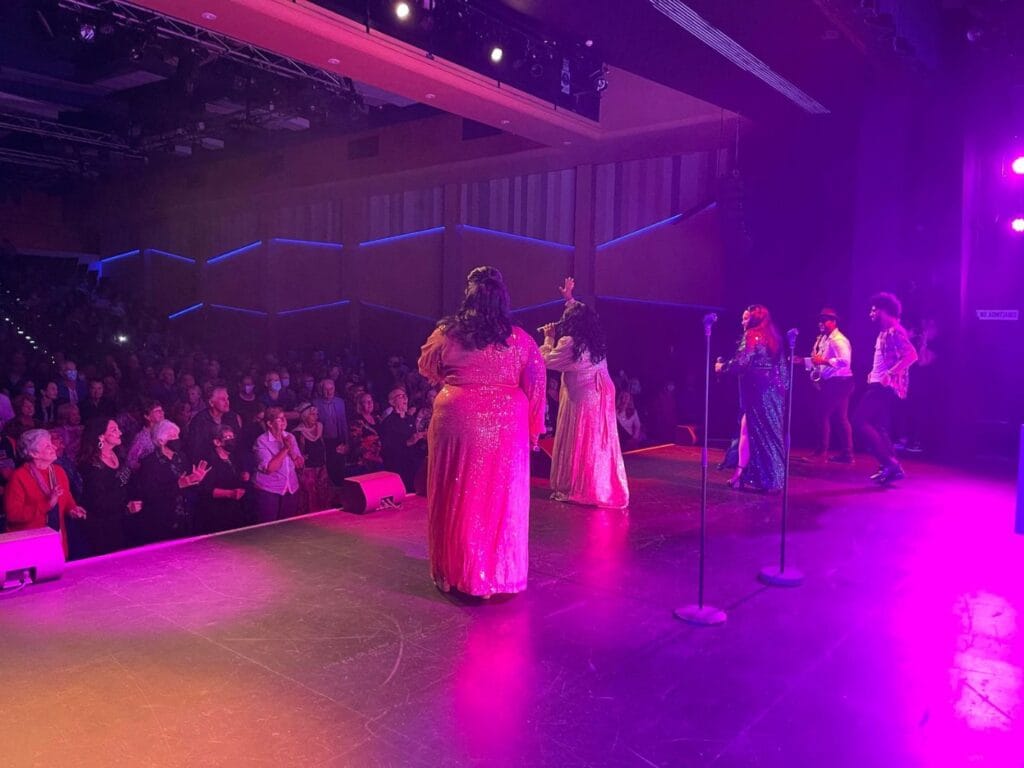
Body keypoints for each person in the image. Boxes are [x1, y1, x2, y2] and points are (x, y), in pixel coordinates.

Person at [417, 266, 546, 597]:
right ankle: (496, 576)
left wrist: (457, 380)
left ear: (468, 298)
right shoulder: (521, 340)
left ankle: (453, 572)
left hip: (457, 418)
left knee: (456, 492)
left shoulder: (448, 334)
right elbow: (536, 385)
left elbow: (427, 365)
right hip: (507, 424)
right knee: (500, 498)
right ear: (503, 300)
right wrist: (534, 430)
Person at [539, 277, 628, 509]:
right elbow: (581, 313)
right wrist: (569, 299)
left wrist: (548, 337)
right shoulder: (594, 340)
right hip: (602, 391)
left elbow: (545, 360)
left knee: (582, 439)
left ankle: (582, 487)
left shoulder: (570, 343)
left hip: (584, 395)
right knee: (598, 440)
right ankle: (600, 485)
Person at [715, 305, 786, 492]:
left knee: (752, 433)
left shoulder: (752, 335)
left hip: (757, 391)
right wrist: (781, 393)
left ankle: (764, 479)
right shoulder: (774, 338)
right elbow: (782, 370)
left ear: (754, 319)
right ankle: (747, 476)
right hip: (773, 392)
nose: (742, 322)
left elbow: (742, 362)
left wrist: (722, 367)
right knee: (758, 432)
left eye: (746, 318)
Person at [853, 292, 918, 484]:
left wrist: (889, 374)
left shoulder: (894, 331)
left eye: (874, 310)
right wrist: (873, 373)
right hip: (878, 383)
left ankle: (889, 463)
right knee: (878, 427)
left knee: (860, 421)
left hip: (884, 387)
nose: (871, 313)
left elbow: (912, 355)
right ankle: (892, 468)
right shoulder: (884, 332)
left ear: (884, 311)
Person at [4, 429, 86, 555]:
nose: (54, 447)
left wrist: (72, 509)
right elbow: (13, 515)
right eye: (48, 446)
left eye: (51, 443)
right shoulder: (19, 477)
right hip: (31, 545)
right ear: (33, 453)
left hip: (57, 540)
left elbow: (67, 497)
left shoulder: (59, 471)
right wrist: (47, 504)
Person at [133, 420, 209, 543]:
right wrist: (178, 484)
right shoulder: (149, 463)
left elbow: (189, 484)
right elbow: (150, 495)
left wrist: (196, 479)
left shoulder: (182, 457)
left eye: (177, 435)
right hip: (163, 521)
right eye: (173, 436)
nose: (177, 439)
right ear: (161, 440)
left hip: (184, 518)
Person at [78, 418, 143, 556]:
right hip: (103, 527)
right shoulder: (91, 465)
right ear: (101, 436)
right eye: (114, 430)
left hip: (123, 521)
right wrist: (125, 508)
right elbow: (97, 501)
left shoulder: (118, 454)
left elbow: (127, 484)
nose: (120, 432)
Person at [797, 308, 854, 463]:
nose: (821, 323)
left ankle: (821, 452)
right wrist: (802, 361)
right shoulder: (823, 339)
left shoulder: (838, 340)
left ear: (834, 322)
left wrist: (823, 361)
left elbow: (845, 361)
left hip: (840, 382)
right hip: (836, 382)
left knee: (822, 414)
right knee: (841, 418)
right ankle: (847, 454)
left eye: (824, 320)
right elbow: (818, 361)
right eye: (820, 321)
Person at [252, 406, 302, 523]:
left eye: (284, 417)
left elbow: (299, 464)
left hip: (291, 488)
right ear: (269, 423)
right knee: (269, 526)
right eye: (279, 419)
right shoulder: (261, 441)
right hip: (269, 490)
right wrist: (285, 449)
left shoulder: (290, 437)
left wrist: (291, 450)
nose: (284, 421)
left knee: (287, 526)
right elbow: (270, 469)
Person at [196, 423, 248, 533]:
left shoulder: (233, 457)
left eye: (232, 436)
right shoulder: (209, 460)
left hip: (234, 509)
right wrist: (230, 493)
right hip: (217, 512)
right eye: (227, 437)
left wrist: (243, 476)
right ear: (217, 442)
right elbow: (206, 490)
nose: (231, 440)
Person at [379, 387, 426, 492]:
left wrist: (422, 437)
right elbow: (388, 447)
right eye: (401, 396)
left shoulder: (410, 419)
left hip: (413, 463)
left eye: (405, 396)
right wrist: (407, 442)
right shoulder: (388, 423)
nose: (405, 398)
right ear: (392, 402)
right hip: (398, 466)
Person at [293, 402, 331, 515]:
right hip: (308, 471)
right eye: (312, 414)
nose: (316, 417)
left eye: (316, 414)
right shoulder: (298, 433)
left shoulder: (320, 427)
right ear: (305, 416)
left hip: (321, 468)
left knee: (324, 495)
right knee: (310, 498)